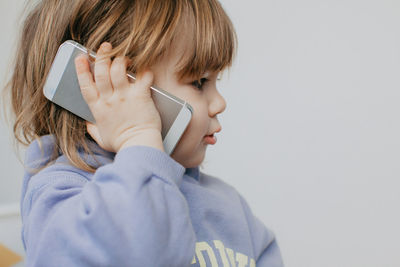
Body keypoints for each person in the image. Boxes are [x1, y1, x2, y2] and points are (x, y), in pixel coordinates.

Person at [2, 0, 284, 266]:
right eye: (199, 82)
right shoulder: (61, 190)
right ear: (112, 84)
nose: (220, 103)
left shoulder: (229, 206)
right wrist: (137, 137)